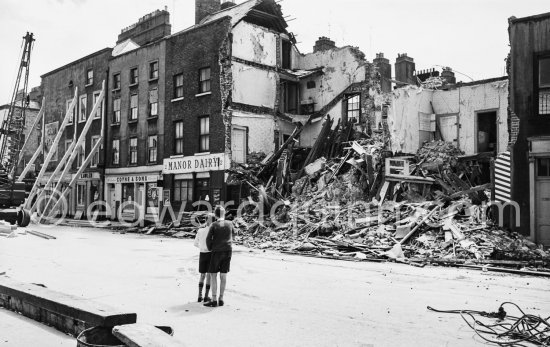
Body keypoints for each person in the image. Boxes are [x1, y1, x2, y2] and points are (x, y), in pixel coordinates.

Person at [204, 206, 233, 307]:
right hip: (228, 250)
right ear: (224, 214)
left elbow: (208, 240)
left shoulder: (214, 225)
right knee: (223, 275)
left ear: (215, 215)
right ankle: (221, 298)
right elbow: (234, 234)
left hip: (217, 251)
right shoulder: (230, 224)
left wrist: (211, 248)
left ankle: (214, 298)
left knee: (213, 274)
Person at [194, 215, 213, 303]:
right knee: (209, 275)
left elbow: (195, 243)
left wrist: (202, 247)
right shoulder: (212, 231)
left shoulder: (200, 230)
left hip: (202, 254)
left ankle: (199, 295)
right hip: (210, 254)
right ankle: (206, 296)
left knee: (202, 275)